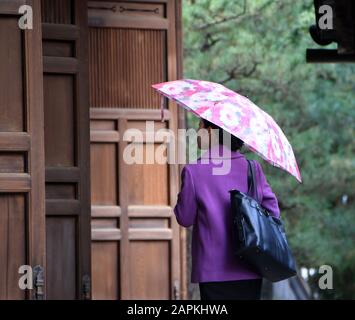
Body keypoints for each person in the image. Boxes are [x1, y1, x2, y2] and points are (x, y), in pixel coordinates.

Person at [174, 118, 281, 300]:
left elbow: (185, 218)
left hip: (212, 270)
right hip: (250, 265)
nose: (197, 130)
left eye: (200, 125)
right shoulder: (252, 168)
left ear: (210, 131)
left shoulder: (194, 171)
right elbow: (273, 213)